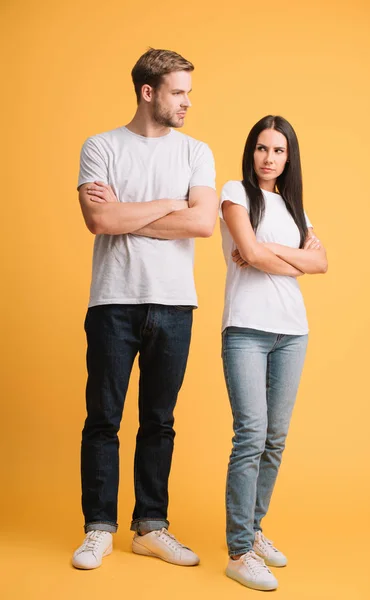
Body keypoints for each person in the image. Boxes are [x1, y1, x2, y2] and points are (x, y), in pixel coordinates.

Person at [72, 48, 218, 570]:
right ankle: (98, 529)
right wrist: (169, 203)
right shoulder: (101, 146)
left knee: (159, 420)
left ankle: (151, 527)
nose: (187, 103)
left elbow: (203, 224)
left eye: (189, 93)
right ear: (148, 92)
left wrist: (126, 212)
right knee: (103, 419)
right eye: (179, 92)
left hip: (175, 304)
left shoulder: (196, 152)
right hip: (113, 300)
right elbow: (99, 222)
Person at [219, 115, 328, 591]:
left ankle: (256, 530)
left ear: (289, 157)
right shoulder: (235, 193)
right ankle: (239, 550)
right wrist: (285, 256)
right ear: (252, 151)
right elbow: (253, 254)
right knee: (251, 435)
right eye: (262, 148)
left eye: (278, 151)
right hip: (245, 328)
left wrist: (265, 249)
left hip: (293, 332)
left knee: (275, 438)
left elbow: (321, 262)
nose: (269, 158)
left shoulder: (295, 207)